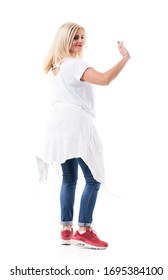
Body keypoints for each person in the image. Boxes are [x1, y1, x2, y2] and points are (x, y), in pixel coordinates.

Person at [36, 22, 130, 250]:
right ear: (64, 40)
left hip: (57, 125)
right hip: (75, 125)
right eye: (75, 37)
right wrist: (124, 59)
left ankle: (66, 230)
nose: (80, 41)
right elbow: (105, 79)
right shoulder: (75, 65)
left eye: (82, 36)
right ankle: (84, 230)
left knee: (69, 179)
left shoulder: (55, 66)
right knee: (93, 178)